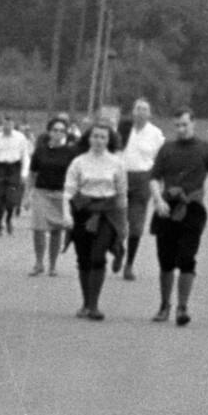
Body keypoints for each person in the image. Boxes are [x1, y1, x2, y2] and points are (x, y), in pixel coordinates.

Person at [144, 108, 208, 326]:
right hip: (167, 208)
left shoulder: (205, 149)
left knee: (187, 257)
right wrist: (158, 200)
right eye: (177, 126)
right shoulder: (167, 149)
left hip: (192, 209)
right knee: (166, 259)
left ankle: (182, 307)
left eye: (185, 125)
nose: (181, 129)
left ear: (193, 124)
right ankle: (164, 306)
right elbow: (154, 178)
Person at [63, 118, 129, 320]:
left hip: (107, 214)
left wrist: (123, 224)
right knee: (83, 257)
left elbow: (122, 195)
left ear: (109, 140)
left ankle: (94, 305)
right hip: (83, 211)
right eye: (95, 136)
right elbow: (68, 192)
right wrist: (66, 214)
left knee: (98, 256)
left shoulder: (117, 163)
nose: (99, 140)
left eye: (103, 137)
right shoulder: (78, 162)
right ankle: (85, 302)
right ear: (89, 138)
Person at [116, 96, 165, 279]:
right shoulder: (123, 129)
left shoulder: (155, 134)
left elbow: (161, 160)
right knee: (118, 221)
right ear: (132, 111)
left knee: (136, 226)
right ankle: (118, 249)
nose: (141, 112)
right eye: (138, 108)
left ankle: (129, 264)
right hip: (121, 177)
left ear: (150, 113)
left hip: (142, 179)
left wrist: (160, 184)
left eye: (145, 109)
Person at [25, 113, 79, 278]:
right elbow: (32, 173)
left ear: (65, 133)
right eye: (55, 130)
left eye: (62, 131)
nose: (58, 133)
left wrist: (73, 196)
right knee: (38, 229)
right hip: (41, 192)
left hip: (60, 195)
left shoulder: (70, 152)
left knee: (56, 231)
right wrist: (28, 194)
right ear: (49, 132)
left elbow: (74, 176)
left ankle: (52, 265)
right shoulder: (40, 151)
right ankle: (39, 262)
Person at [0, 117, 31, 234]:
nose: (7, 127)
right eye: (5, 124)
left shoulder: (20, 138)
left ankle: (9, 218)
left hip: (14, 168)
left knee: (11, 199)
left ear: (13, 125)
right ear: (2, 125)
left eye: (9, 124)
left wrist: (24, 172)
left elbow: (25, 156)